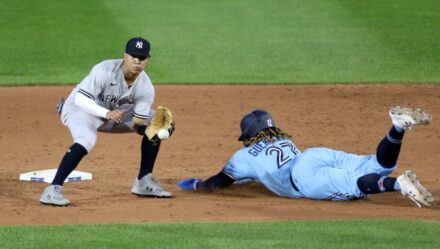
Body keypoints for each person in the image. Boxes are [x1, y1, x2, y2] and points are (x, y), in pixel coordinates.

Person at [178, 106, 435, 208]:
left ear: (248, 134)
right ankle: (398, 127)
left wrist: (197, 185)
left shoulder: (243, 155)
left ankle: (399, 185)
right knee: (378, 165)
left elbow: (218, 182)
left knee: (353, 184)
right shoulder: (283, 138)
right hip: (314, 155)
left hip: (303, 178)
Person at [40, 37, 174, 206]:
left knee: (156, 120)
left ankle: (143, 182)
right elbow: (81, 99)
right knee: (86, 139)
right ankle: (53, 190)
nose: (137, 61)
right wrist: (106, 112)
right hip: (81, 108)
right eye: (133, 56)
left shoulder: (145, 87)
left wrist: (153, 131)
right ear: (125, 56)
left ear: (147, 60)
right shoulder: (104, 70)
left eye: (142, 57)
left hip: (114, 114)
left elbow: (137, 124)